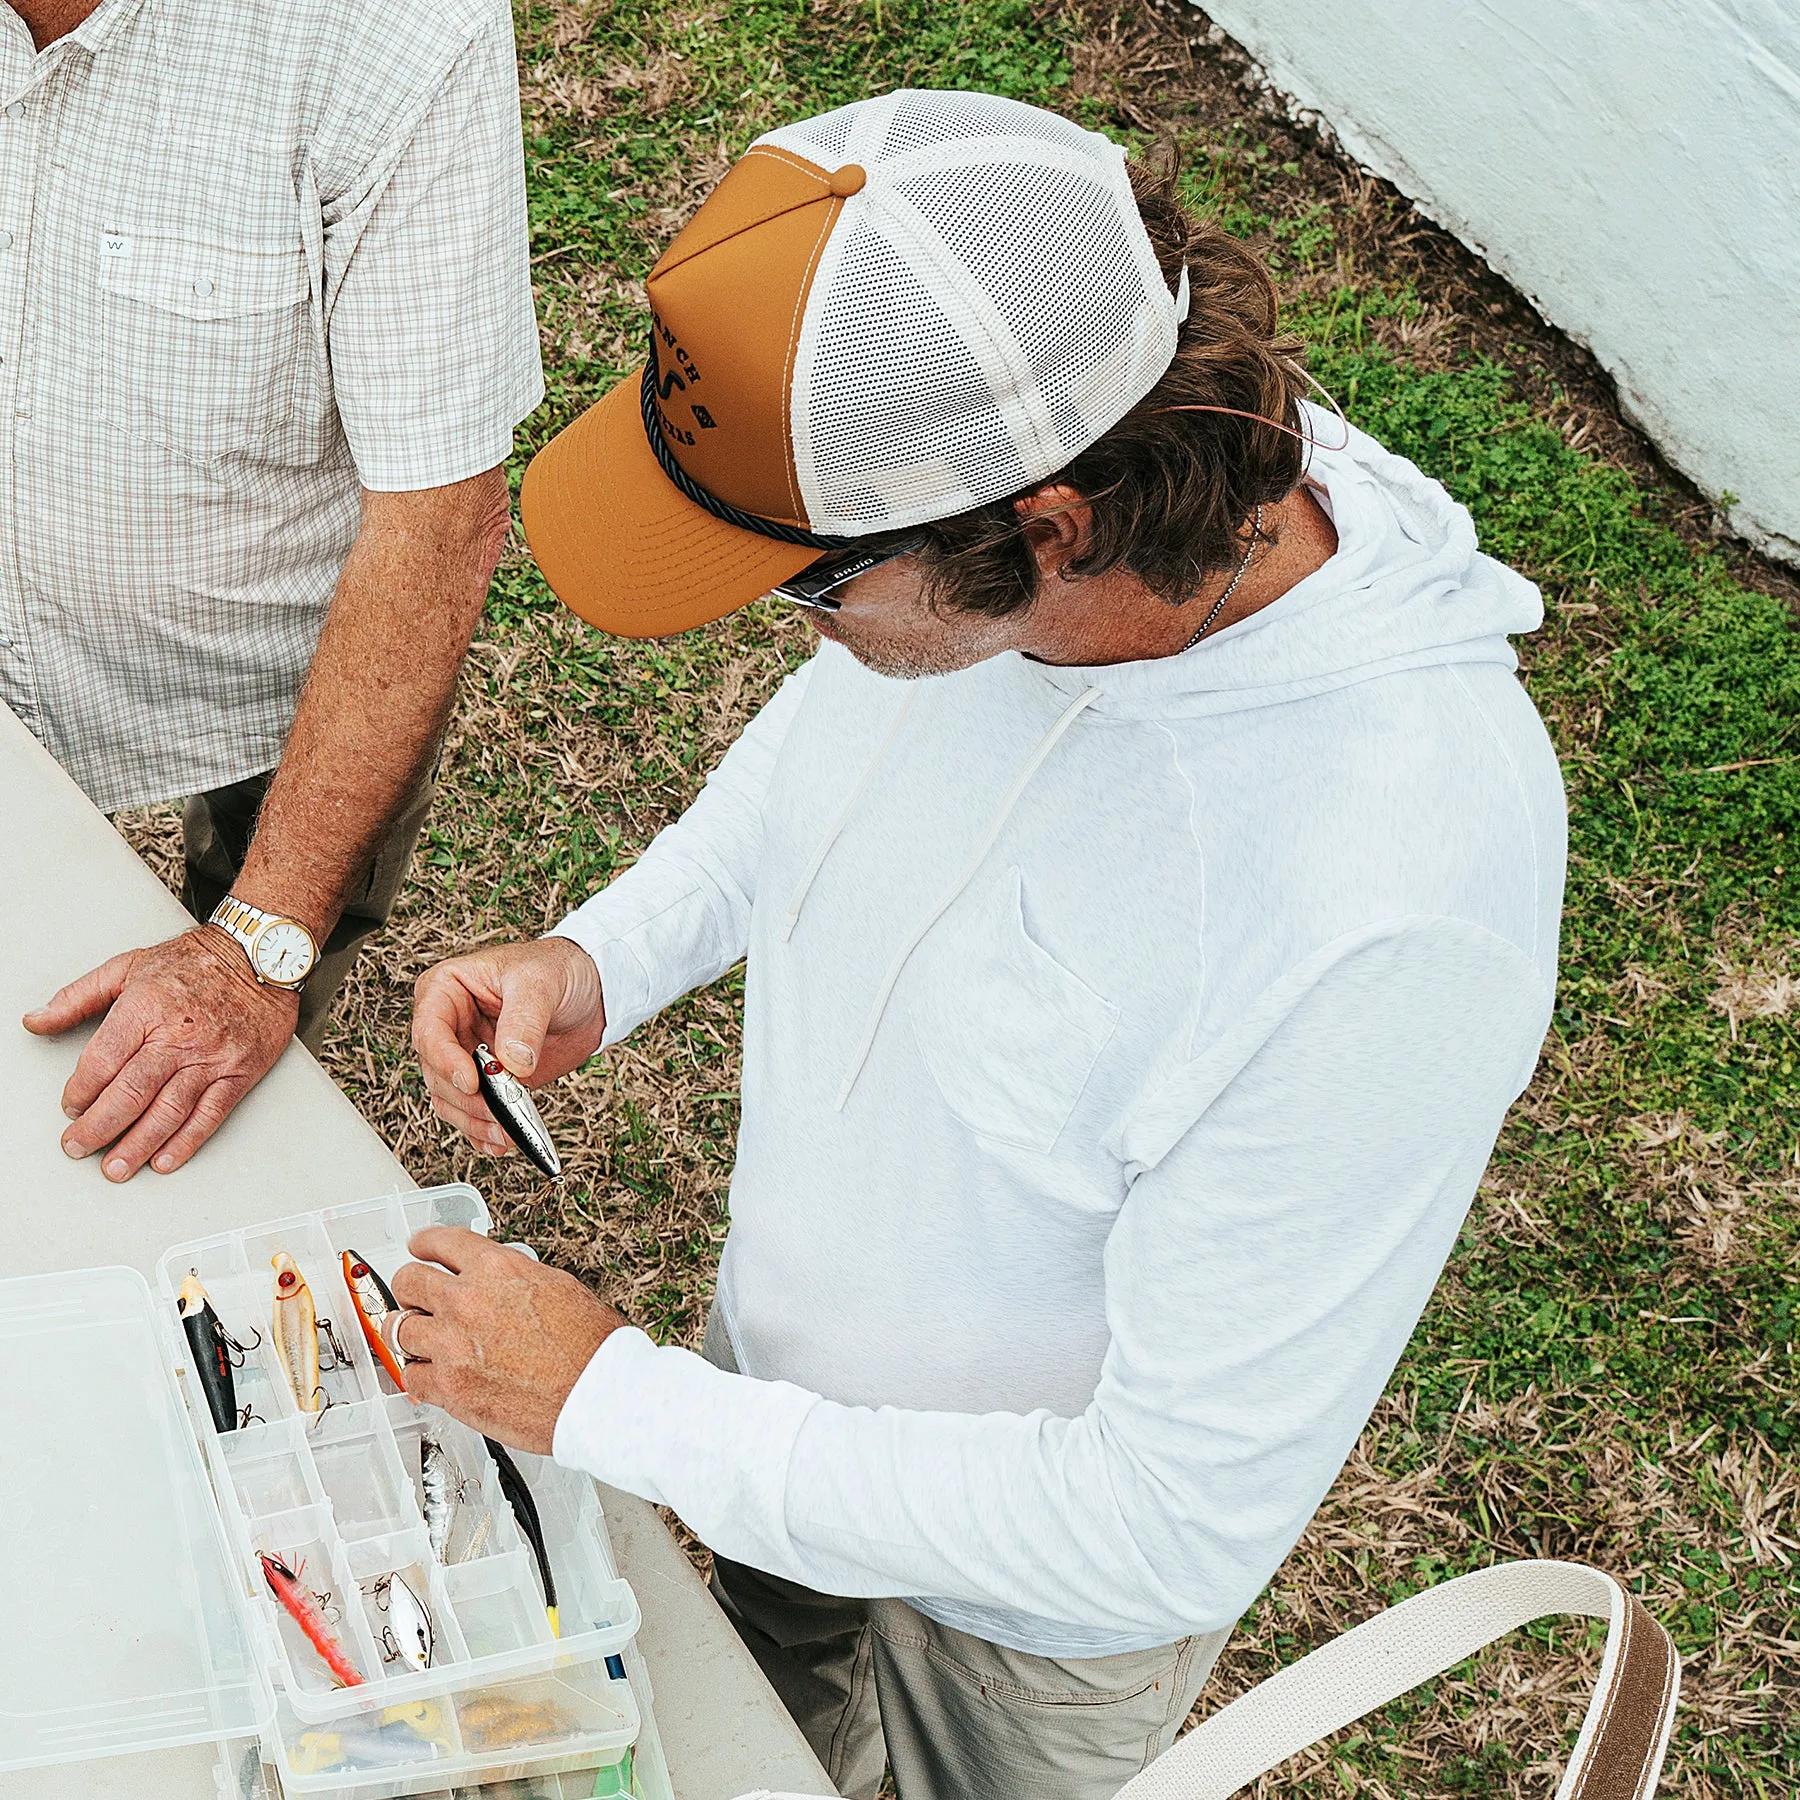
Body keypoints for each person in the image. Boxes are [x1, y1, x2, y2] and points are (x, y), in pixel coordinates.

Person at [395, 90, 1566, 1800]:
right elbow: (830, 758)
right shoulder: (1059, 472)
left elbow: (1157, 1525)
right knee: (759, 1734)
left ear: (1052, 533)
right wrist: (609, 955)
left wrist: (619, 1411)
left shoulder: (1393, 898)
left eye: (805, 587)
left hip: (1034, 1616)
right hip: (773, 1416)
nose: (791, 626)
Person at [8, 0, 541, 1180]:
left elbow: (438, 521)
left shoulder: (402, 31)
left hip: (274, 688)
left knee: (248, 983)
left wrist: (253, 951)